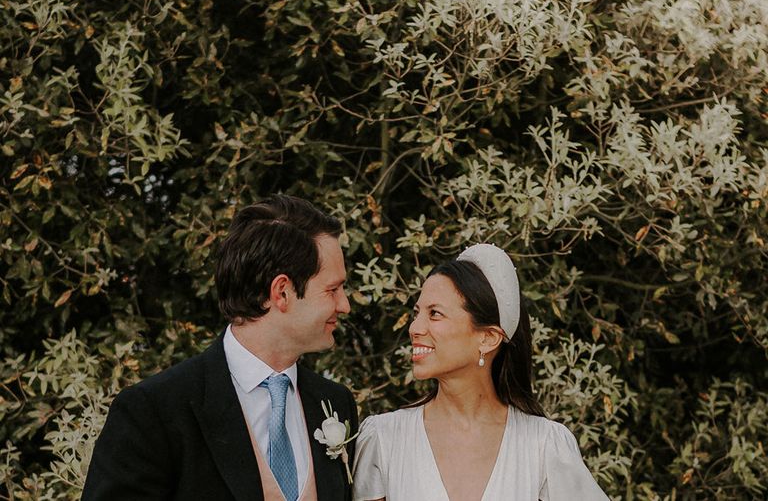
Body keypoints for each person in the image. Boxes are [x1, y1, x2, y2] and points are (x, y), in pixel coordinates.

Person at [83, 195, 359, 501]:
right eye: (332, 290)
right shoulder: (153, 411)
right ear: (281, 292)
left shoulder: (334, 402)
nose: (344, 305)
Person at [352, 243, 609, 501]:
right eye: (417, 313)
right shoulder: (384, 439)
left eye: (435, 314)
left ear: (487, 338)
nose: (414, 328)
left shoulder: (544, 446)